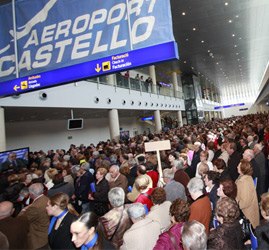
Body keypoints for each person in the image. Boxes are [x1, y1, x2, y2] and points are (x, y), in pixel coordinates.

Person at [19, 183, 50, 249]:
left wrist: (23, 210)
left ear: (31, 194)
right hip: (46, 231)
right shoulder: (46, 199)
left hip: (38, 238)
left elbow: (22, 220)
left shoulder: (34, 207)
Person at [236, 159, 259, 228]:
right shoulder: (243, 178)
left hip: (247, 215)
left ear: (243, 169)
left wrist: (235, 205)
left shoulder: (245, 182)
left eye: (238, 166)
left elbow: (245, 202)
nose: (237, 167)